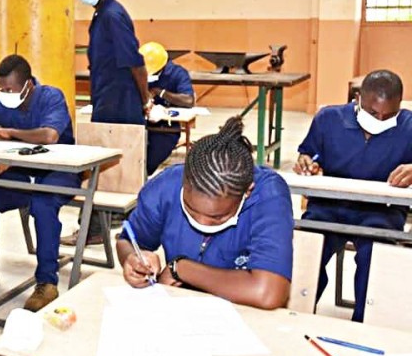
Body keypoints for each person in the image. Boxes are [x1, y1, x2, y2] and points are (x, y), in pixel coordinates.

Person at [117, 116, 293, 310]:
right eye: (190, 209)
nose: (202, 223)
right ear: (184, 182)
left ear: (247, 192)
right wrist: (134, 260)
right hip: (181, 309)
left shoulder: (268, 195)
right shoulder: (165, 187)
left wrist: (181, 268)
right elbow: (127, 242)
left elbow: (267, 292)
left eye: (217, 217)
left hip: (244, 313)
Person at [0, 55, 79, 312]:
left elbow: (50, 135)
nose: (4, 94)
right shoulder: (0, 104)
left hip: (62, 171)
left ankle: (47, 282)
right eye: (0, 88)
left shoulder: (51, 97)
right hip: (24, 171)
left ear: (27, 85)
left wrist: (11, 133)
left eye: (9, 89)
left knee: (43, 204)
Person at [295, 69, 412, 322]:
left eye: (389, 115)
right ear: (358, 98)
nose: (380, 119)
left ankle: (363, 326)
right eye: (373, 113)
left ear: (399, 107)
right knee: (308, 253)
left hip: (382, 212)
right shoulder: (328, 119)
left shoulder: (409, 127)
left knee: (375, 263)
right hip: (329, 207)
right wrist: (306, 163)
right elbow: (308, 154)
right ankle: (296, 316)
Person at [61, 0, 151, 247]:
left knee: (108, 169)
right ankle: (95, 229)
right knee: (102, 169)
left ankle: (97, 230)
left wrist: (145, 101)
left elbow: (136, 64)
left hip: (120, 105)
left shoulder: (112, 16)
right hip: (107, 100)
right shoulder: (101, 14)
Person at [141, 41, 195, 174]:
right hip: (141, 124)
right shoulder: (139, 72)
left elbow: (189, 101)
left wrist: (160, 92)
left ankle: (144, 174)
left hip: (166, 128)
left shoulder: (177, 73)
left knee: (148, 163)